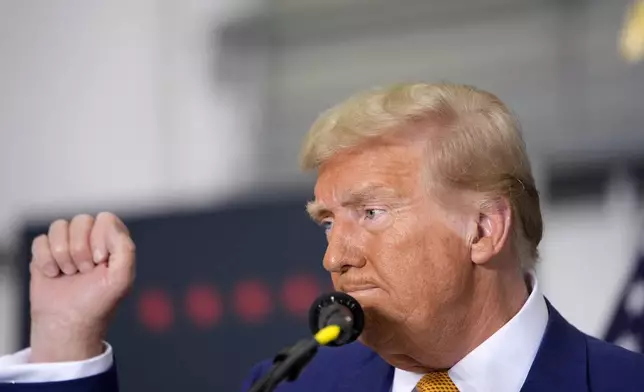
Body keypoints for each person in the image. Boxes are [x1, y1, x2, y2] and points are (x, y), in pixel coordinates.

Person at [0, 82, 643, 392]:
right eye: (328, 224)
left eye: (371, 213)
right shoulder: (290, 387)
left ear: (483, 228)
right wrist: (66, 342)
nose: (335, 257)